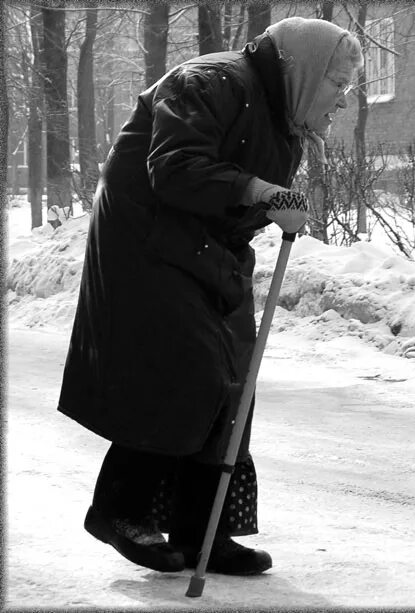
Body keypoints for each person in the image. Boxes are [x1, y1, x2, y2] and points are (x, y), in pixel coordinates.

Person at [57, 17, 363, 576]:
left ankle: (205, 532)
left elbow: (243, 197)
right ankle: (119, 510)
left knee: (232, 385)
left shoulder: (283, 116)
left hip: (213, 253)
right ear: (306, 69)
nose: (341, 100)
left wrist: (270, 206)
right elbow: (173, 168)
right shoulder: (209, 82)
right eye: (337, 84)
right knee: (188, 371)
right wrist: (261, 191)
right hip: (147, 246)